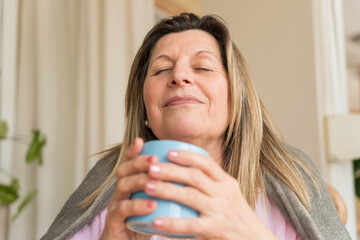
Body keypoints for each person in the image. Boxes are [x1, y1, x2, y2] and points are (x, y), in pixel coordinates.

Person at [41, 13, 350, 240]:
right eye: (162, 69)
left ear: (236, 96)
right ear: (145, 106)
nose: (179, 77)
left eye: (202, 67)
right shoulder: (112, 185)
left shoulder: (291, 180)